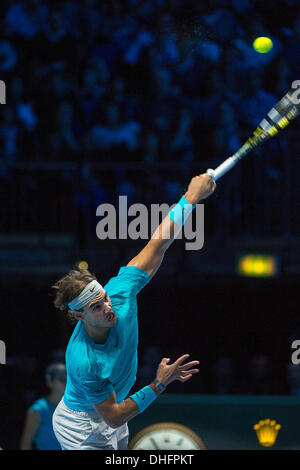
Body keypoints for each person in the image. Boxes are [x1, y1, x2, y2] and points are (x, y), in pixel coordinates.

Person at [52, 173, 216, 450]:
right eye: (96, 307)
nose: (108, 308)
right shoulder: (83, 360)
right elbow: (114, 417)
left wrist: (192, 197)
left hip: (115, 406)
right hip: (81, 427)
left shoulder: (120, 293)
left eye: (104, 298)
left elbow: (158, 243)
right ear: (79, 316)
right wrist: (159, 384)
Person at [20, 363, 66, 450]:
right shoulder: (37, 410)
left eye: (69, 379)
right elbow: (26, 444)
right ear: (49, 382)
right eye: (61, 379)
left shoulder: (75, 407)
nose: (66, 382)